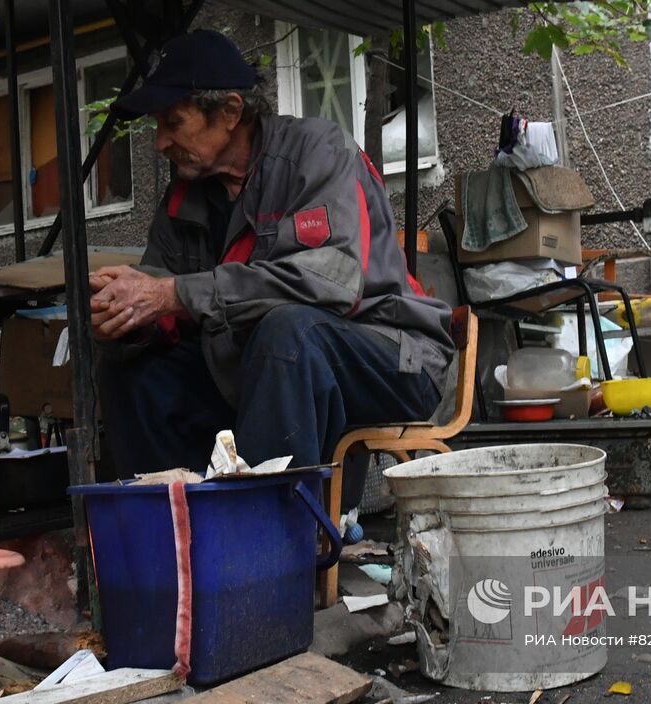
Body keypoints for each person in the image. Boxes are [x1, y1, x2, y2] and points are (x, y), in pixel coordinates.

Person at [89, 30, 453, 487]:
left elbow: (332, 282)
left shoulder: (316, 153)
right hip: (254, 372)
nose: (160, 141)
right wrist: (124, 318)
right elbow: (168, 309)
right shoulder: (184, 201)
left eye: (173, 122)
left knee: (287, 331)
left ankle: (271, 545)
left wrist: (171, 293)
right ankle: (170, 533)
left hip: (394, 356)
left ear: (229, 112)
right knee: (133, 373)